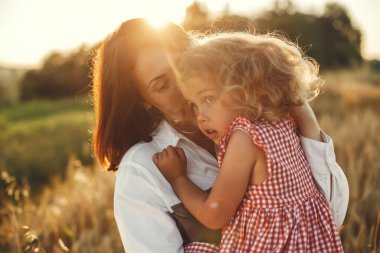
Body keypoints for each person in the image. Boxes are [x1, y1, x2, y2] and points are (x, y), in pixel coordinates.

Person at [91, 18, 348, 253]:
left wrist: (305, 119)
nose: (183, 87)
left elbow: (331, 214)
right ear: (142, 100)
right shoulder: (142, 169)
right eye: (162, 84)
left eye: (184, 66)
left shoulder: (259, 122)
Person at [153, 33, 344, 252]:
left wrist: (178, 178)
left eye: (208, 99)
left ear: (245, 90)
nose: (200, 116)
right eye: (194, 104)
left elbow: (214, 216)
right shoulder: (283, 121)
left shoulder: (245, 139)